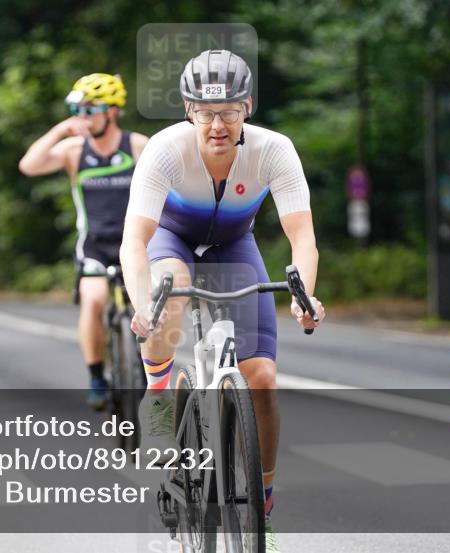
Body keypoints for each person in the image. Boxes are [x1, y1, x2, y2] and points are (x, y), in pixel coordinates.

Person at [120, 49, 324, 551]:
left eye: (229, 112)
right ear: (189, 110)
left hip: (235, 244)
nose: (217, 124)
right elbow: (133, 241)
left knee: (262, 378)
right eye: (206, 113)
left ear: (247, 107)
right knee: (169, 288)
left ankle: (264, 508)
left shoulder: (274, 150)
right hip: (171, 240)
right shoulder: (165, 150)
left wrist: (305, 294)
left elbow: (302, 236)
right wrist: (142, 304)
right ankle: (160, 396)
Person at [19, 73, 148, 410]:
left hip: (137, 244)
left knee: (146, 309)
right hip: (95, 245)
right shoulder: (75, 150)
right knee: (93, 301)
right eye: (78, 110)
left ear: (113, 111)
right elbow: (29, 165)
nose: (83, 117)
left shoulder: (137, 146)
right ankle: (96, 375)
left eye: (91, 110)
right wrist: (61, 130)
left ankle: (149, 371)